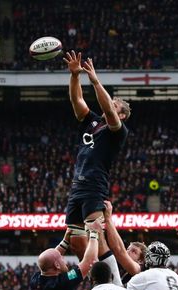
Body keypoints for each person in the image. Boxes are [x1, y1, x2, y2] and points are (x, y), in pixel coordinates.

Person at [63, 50, 130, 260]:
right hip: (77, 187)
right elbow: (77, 101)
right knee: (76, 243)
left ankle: (112, 280)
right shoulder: (92, 121)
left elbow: (109, 109)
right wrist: (74, 76)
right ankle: (95, 277)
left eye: (116, 106)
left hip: (94, 187)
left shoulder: (117, 130)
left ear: (122, 115)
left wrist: (95, 81)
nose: (111, 106)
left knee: (97, 237)